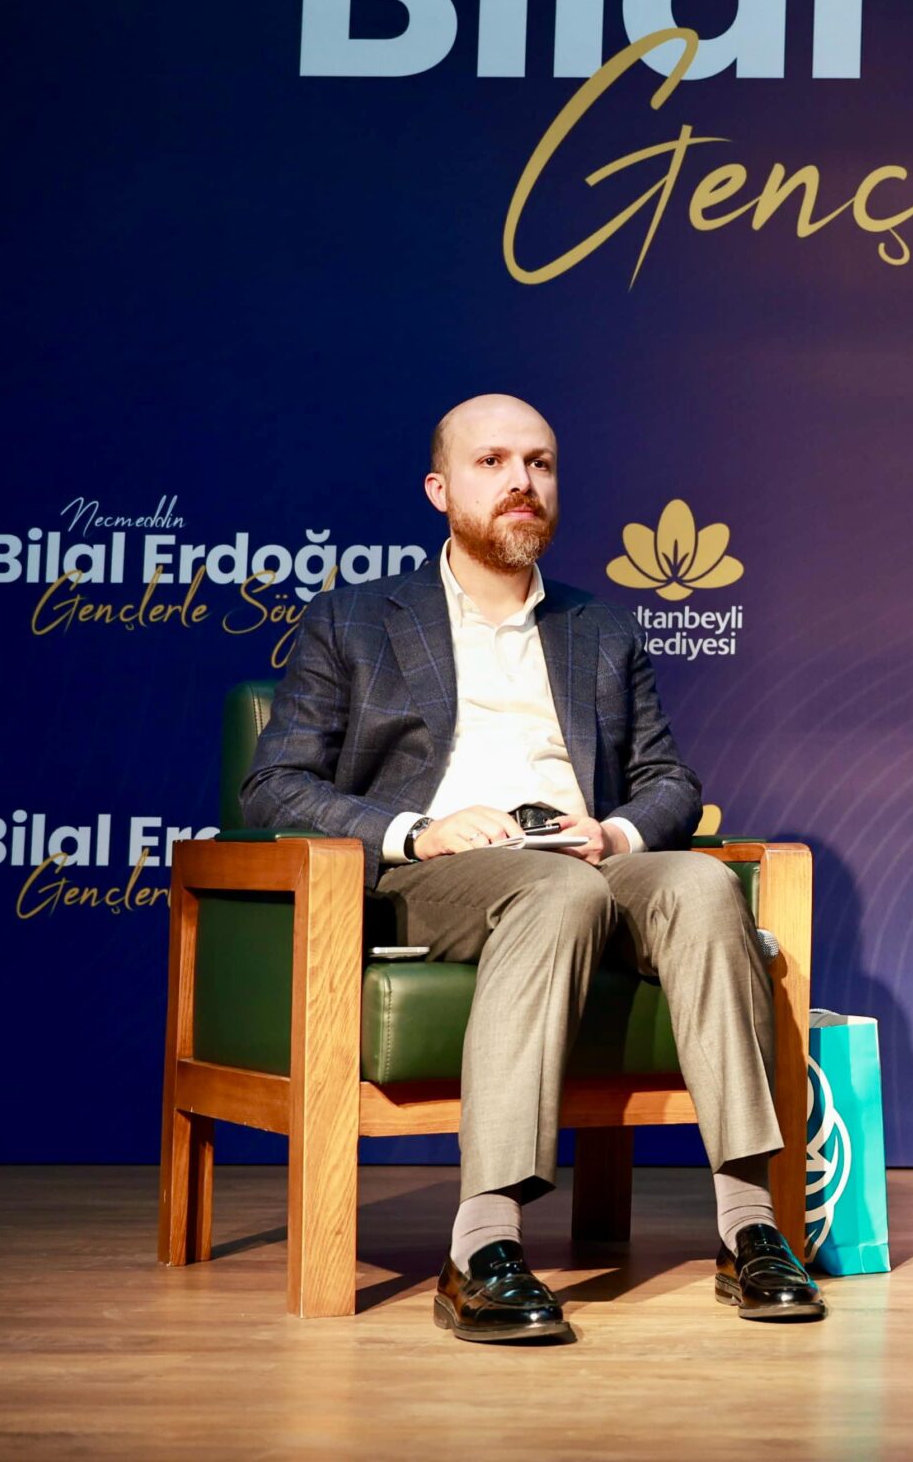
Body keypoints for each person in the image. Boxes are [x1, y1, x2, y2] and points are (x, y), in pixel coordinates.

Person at [242, 393, 823, 1340]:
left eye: (540, 463)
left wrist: (616, 835)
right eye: (493, 462)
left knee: (703, 883)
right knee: (555, 893)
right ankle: (481, 1247)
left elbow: (669, 780)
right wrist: (416, 830)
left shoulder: (600, 628)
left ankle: (749, 1229)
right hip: (439, 875)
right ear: (439, 489)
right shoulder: (355, 620)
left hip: (583, 860)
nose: (522, 481)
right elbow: (274, 785)